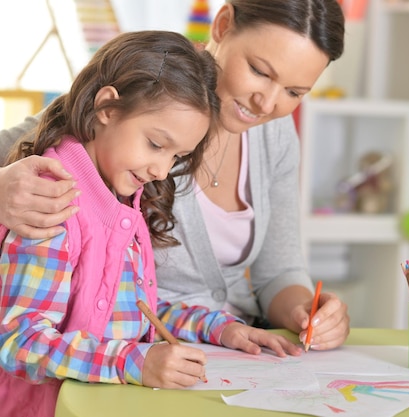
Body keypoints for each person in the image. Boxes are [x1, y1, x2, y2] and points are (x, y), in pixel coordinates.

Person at [0, 0, 350, 351]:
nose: (268, 103)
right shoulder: (144, 97)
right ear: (223, 24)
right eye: (260, 71)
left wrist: (307, 313)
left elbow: (278, 270)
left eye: (294, 92)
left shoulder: (276, 135)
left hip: (233, 342)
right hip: (134, 352)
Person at [0, 30, 301, 417]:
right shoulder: (52, 204)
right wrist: (132, 361)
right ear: (107, 107)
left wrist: (219, 328)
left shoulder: (122, 197)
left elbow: (133, 310)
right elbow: (18, 342)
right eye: (156, 145)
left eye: (177, 155)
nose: (161, 169)